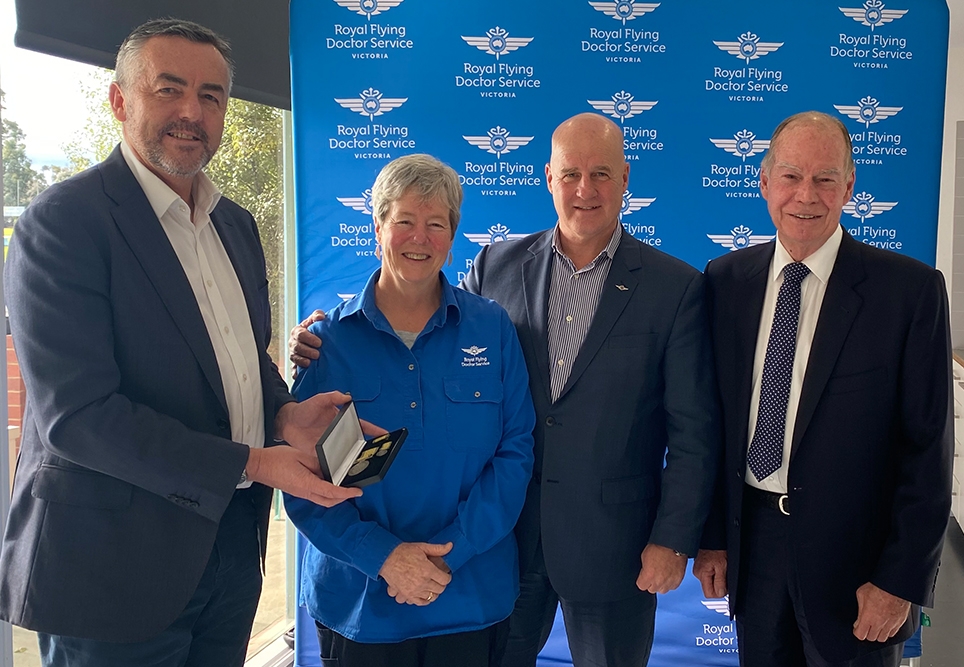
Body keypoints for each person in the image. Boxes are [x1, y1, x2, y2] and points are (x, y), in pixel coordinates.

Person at [0, 18, 369, 667]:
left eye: (211, 95)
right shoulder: (63, 223)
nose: (191, 112)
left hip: (228, 554)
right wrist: (254, 461)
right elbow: (80, 418)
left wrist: (282, 411)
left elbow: (237, 357)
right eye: (168, 89)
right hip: (111, 572)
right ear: (120, 100)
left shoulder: (235, 224)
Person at [290, 113, 721, 667]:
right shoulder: (497, 265)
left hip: (604, 544)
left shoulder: (675, 286)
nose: (584, 190)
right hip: (503, 549)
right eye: (570, 174)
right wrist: (324, 333)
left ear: (625, 178)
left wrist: (674, 537)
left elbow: (693, 431)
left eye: (601, 174)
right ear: (547, 177)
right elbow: (414, 312)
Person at [692, 111, 953, 667]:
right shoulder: (724, 282)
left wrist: (900, 580)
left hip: (858, 565)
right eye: (790, 176)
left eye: (825, 178)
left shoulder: (909, 293)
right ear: (764, 183)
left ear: (850, 187)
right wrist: (713, 536)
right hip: (753, 548)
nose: (805, 195)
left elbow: (928, 452)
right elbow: (712, 424)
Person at [284, 153, 536, 667]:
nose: (419, 238)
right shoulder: (326, 343)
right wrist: (385, 559)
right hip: (358, 604)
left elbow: (515, 454)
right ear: (378, 227)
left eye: (435, 224)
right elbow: (304, 481)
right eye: (404, 221)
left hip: (468, 596)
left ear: (452, 235)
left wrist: (447, 555)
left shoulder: (493, 329)